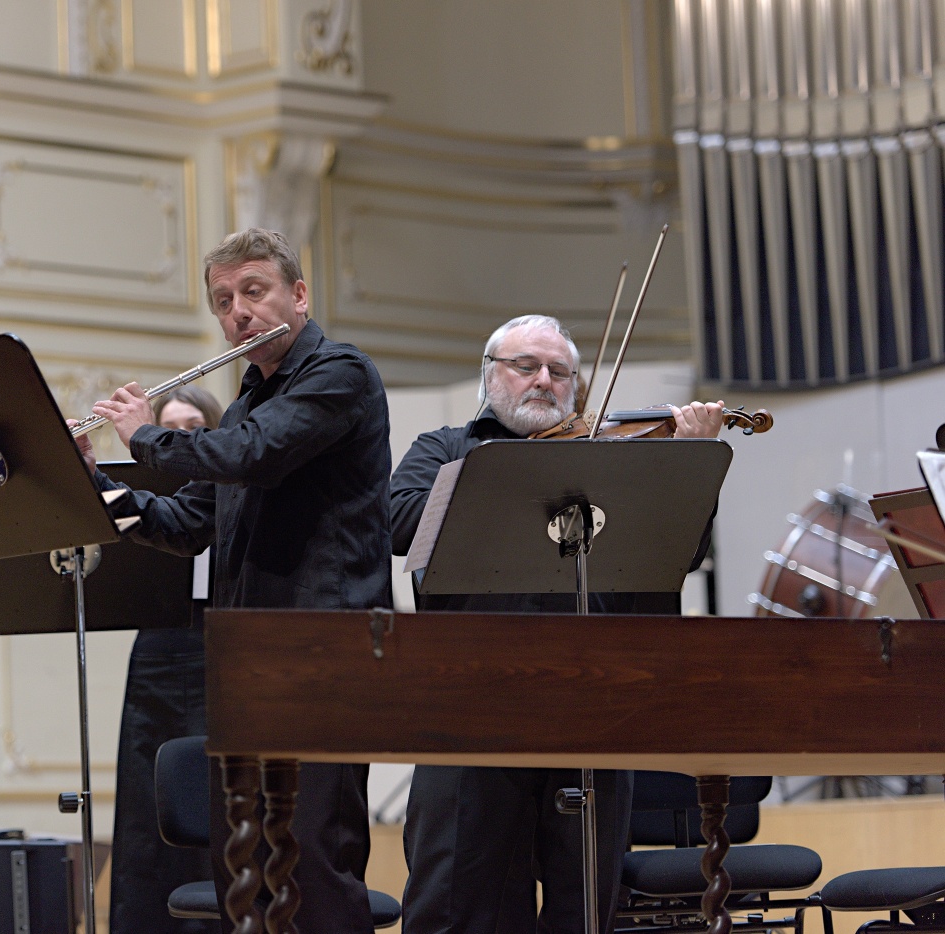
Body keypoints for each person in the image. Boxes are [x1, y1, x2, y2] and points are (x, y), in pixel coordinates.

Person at [76, 227, 392, 934]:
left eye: (254, 291)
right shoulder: (249, 401)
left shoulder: (339, 372)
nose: (238, 313)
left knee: (314, 856)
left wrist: (143, 435)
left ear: (297, 294)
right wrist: (91, 479)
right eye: (224, 301)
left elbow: (254, 454)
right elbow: (187, 523)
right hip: (248, 655)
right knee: (240, 858)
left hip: (325, 651)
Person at [390, 314, 723, 934]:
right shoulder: (445, 448)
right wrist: (508, 474)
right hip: (470, 715)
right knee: (457, 899)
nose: (543, 381)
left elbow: (674, 552)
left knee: (586, 906)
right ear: (491, 376)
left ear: (577, 388)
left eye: (559, 371)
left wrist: (689, 460)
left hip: (588, 710)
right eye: (525, 367)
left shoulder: (610, 463)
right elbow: (401, 521)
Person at [109, 384, 223, 934]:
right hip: (156, 650)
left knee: (215, 800)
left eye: (195, 428)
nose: (181, 438)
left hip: (220, 646)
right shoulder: (146, 497)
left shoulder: (232, 485)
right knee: (144, 807)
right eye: (170, 428)